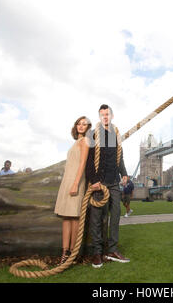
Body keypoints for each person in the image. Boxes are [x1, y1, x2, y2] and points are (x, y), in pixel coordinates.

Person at [86, 104, 129, 268]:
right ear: (99, 117)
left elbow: (120, 157)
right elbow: (89, 160)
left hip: (114, 181)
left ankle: (112, 250)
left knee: (116, 215)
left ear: (112, 116)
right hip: (100, 182)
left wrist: (124, 173)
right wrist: (93, 179)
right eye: (102, 114)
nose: (105, 117)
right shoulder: (93, 134)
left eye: (107, 114)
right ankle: (97, 252)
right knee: (97, 218)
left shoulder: (116, 134)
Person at [54, 116, 91, 264]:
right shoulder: (76, 142)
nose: (81, 126)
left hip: (76, 181)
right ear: (75, 126)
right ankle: (65, 252)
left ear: (88, 128)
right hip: (67, 181)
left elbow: (82, 163)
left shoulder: (85, 141)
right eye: (79, 124)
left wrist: (76, 183)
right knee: (66, 217)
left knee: (74, 218)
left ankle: (73, 254)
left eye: (84, 124)